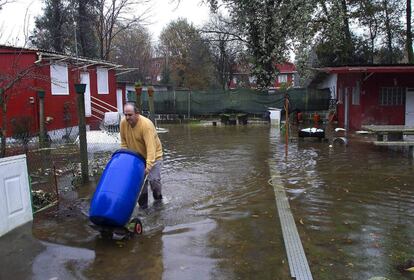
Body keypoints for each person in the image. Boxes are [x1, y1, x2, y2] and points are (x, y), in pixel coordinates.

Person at [120, 102, 163, 209]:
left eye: (130, 115)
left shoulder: (146, 125)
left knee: (154, 181)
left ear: (137, 114)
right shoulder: (123, 123)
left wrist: (148, 167)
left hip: (154, 156)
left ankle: (158, 202)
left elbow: (151, 148)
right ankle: (143, 208)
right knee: (140, 185)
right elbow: (124, 143)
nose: (127, 117)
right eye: (125, 114)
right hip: (137, 158)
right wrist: (126, 160)